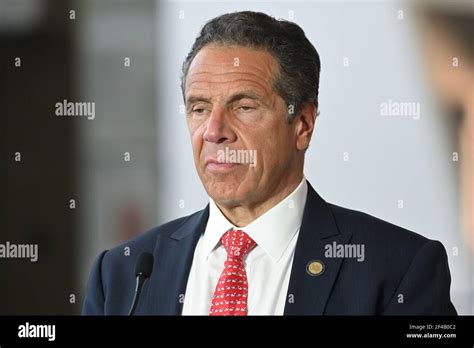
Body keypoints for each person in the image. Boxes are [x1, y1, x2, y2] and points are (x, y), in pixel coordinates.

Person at [83, 11, 456, 315]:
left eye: (244, 107)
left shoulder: (398, 270)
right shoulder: (122, 274)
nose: (214, 132)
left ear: (303, 125)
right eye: (199, 108)